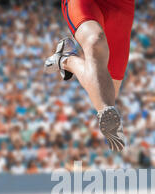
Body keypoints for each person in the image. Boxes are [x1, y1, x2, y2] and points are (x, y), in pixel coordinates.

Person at [45, 0, 135, 152]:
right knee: (95, 41)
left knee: (107, 91)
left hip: (121, 7)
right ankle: (106, 111)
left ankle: (66, 59)